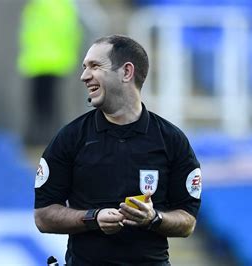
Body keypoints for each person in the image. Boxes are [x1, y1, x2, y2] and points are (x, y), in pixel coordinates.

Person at [34, 35, 202, 265]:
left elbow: (187, 221)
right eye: (84, 67)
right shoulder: (70, 138)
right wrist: (93, 218)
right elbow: (43, 216)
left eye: (94, 66)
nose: (84, 76)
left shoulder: (172, 141)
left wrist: (154, 218)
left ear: (126, 72)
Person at [17, 0, 82, 145]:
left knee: (42, 104)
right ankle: (48, 137)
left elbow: (29, 31)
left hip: (42, 60)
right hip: (53, 60)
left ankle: (40, 137)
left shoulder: (39, 5)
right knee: (49, 104)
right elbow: (73, 33)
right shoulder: (65, 5)